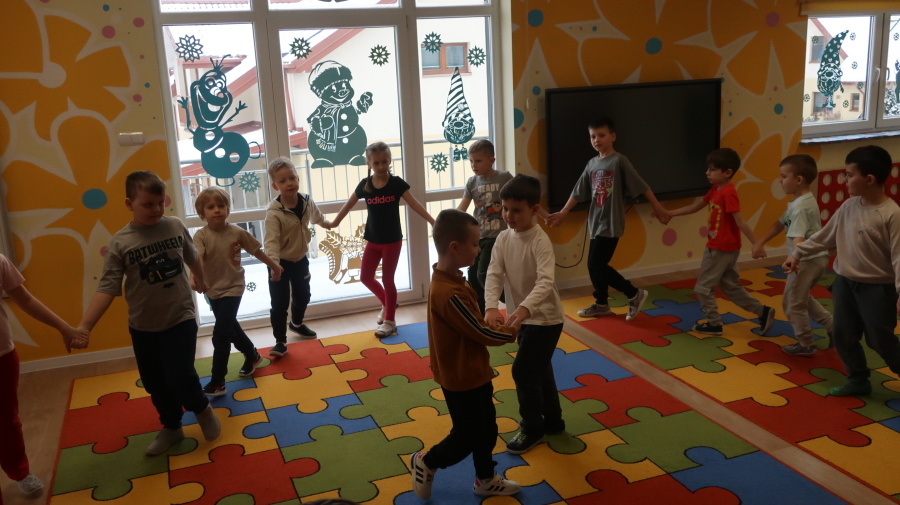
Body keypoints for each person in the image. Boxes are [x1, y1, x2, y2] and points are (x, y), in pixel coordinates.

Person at [78, 171, 221, 457]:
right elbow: (107, 287)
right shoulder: (120, 243)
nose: (156, 210)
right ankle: (172, 427)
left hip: (180, 318)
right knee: (155, 383)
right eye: (148, 204)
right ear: (129, 203)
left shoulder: (174, 226)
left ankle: (202, 409)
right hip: (143, 326)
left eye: (160, 203)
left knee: (180, 377)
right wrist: (85, 326)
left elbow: (192, 256)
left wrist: (200, 279)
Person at [409, 209, 520, 500]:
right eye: (474, 243)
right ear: (455, 248)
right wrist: (512, 329)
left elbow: (474, 323)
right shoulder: (448, 292)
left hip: (473, 370)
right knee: (467, 435)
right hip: (460, 376)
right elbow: (480, 332)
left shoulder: (456, 279)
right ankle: (427, 461)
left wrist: (492, 322)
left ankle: (486, 478)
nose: (479, 248)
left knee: (487, 427)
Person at [784, 145, 900, 397]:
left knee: (878, 339)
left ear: (869, 179)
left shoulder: (891, 214)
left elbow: (899, 257)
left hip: (878, 289)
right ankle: (858, 380)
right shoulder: (849, 207)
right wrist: (797, 253)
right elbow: (825, 236)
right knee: (843, 334)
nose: (844, 179)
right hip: (846, 283)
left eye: (849, 175)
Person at [546, 117, 671, 321]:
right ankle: (602, 304)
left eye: (601, 135)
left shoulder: (619, 161)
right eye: (593, 136)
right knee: (594, 265)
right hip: (595, 222)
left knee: (597, 264)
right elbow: (578, 191)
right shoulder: (592, 164)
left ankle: (634, 293)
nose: (597, 140)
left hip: (611, 222)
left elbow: (641, 185)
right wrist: (563, 212)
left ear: (613, 136)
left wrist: (658, 207)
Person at [484, 174, 565, 455]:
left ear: (534, 209)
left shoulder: (540, 241)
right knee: (540, 369)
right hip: (523, 318)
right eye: (505, 208)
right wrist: (491, 306)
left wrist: (523, 308)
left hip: (546, 319)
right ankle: (553, 421)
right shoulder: (504, 238)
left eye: (516, 210)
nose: (509, 215)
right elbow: (494, 273)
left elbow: (546, 281)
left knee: (523, 371)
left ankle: (532, 427)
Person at [0, 254, 86, 500]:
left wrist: (64, 327)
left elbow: (26, 300)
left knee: (7, 422)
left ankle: (20, 472)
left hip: (2, 356)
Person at [329, 142, 435, 338]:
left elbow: (414, 204)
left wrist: (432, 221)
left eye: (384, 162)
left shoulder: (396, 183)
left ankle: (390, 321)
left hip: (392, 241)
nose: (380, 166)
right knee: (365, 277)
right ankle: (388, 303)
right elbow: (349, 204)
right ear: (368, 163)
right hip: (373, 240)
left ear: (390, 160)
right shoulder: (365, 185)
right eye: (376, 163)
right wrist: (334, 222)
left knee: (387, 279)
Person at [668, 148, 775, 336]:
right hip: (724, 248)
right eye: (707, 169)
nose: (707, 173)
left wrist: (756, 243)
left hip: (720, 249)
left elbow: (740, 220)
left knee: (702, 288)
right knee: (731, 288)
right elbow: (696, 207)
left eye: (712, 170)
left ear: (727, 172)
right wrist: (670, 213)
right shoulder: (716, 189)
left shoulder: (728, 193)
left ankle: (714, 323)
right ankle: (763, 312)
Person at [192, 186, 284, 396]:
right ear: (202, 213)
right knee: (230, 327)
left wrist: (275, 267)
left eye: (221, 206)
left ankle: (218, 381)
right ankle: (252, 354)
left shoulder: (237, 232)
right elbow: (197, 260)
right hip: (212, 290)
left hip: (234, 287)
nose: (217, 210)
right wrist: (195, 278)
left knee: (221, 334)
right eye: (211, 207)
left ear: (228, 208)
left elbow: (257, 251)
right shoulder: (201, 235)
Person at [752, 154, 833, 356]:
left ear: (798, 180)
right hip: (814, 258)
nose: (780, 181)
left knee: (792, 303)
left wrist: (794, 258)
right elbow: (780, 224)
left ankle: (806, 343)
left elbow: (798, 236)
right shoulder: (800, 201)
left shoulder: (800, 207)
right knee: (801, 298)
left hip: (806, 261)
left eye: (783, 176)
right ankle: (833, 326)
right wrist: (760, 242)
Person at [265, 157, 332, 358]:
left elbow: (317, 216)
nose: (289, 183)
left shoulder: (306, 201)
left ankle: (296, 323)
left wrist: (327, 224)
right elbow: (271, 243)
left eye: (292, 178)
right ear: (275, 186)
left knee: (303, 296)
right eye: (283, 181)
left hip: (300, 260)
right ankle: (280, 341)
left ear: (298, 178)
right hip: (278, 264)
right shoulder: (274, 213)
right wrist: (274, 266)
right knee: (279, 303)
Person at [457, 139, 513, 313]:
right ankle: (481, 317)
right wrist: (448, 223)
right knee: (473, 278)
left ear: (491, 160)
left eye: (478, 161)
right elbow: (462, 208)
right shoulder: (472, 182)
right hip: (477, 237)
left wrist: (544, 215)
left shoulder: (504, 177)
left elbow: (522, 195)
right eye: (471, 161)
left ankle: (515, 302)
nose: (473, 165)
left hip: (496, 237)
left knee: (483, 274)